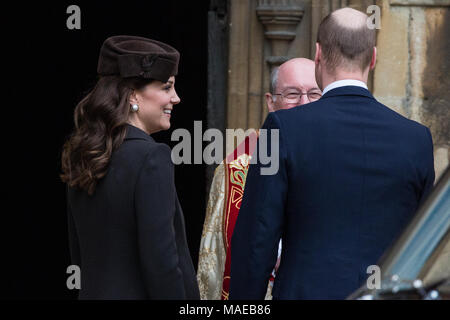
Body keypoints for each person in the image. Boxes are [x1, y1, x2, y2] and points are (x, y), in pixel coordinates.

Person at [229, 7, 435, 300]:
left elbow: (256, 242)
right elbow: (423, 246)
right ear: (373, 57)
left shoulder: (283, 128)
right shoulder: (416, 139)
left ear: (317, 55)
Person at [60, 35, 200, 299]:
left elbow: (79, 257)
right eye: (166, 87)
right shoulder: (152, 158)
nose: (176, 98)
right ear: (133, 93)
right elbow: (163, 265)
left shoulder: (83, 153)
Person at [197, 58, 322, 300]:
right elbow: (214, 263)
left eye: (315, 94)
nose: (304, 103)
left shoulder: (341, 157)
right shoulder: (236, 168)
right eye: (292, 93)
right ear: (271, 102)